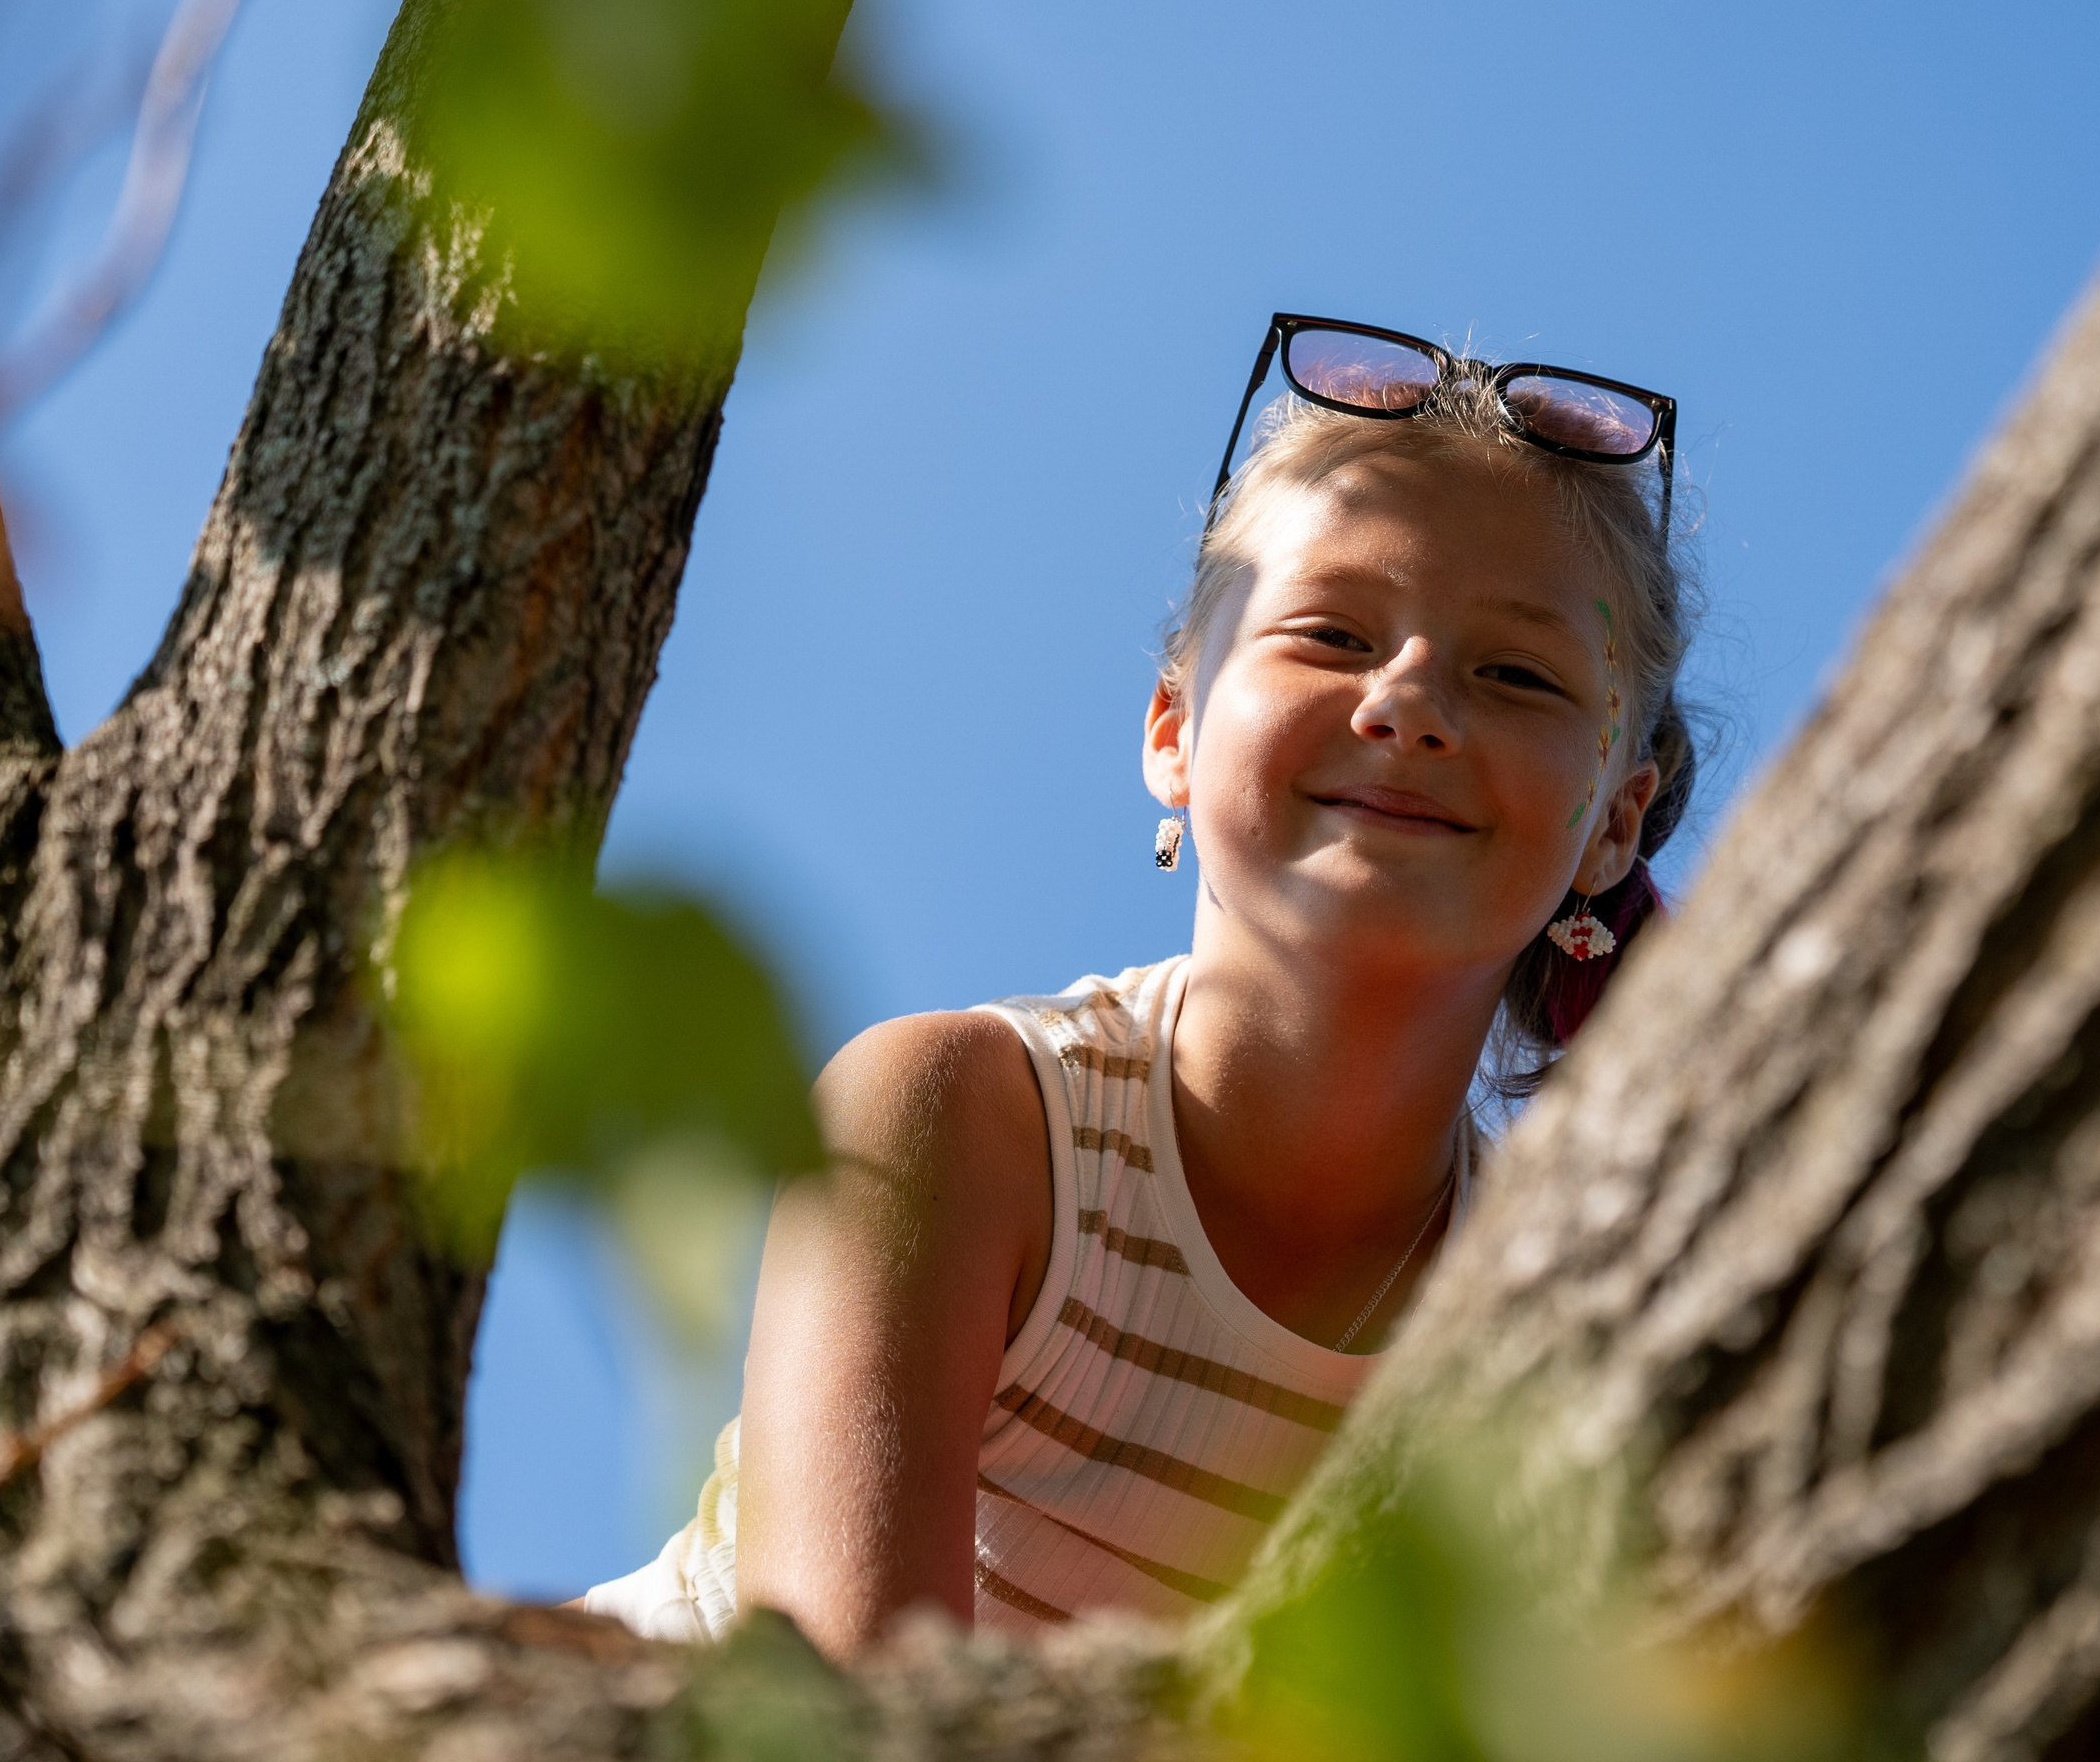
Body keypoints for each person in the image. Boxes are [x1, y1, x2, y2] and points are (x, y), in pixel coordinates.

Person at [580, 315, 1697, 1656]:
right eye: (1333, 635)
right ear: (1172, 730)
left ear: (1616, 825)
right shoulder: (964, 1119)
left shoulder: (1549, 1312)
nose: (1409, 703)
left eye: (1515, 672)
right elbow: (847, 1720)